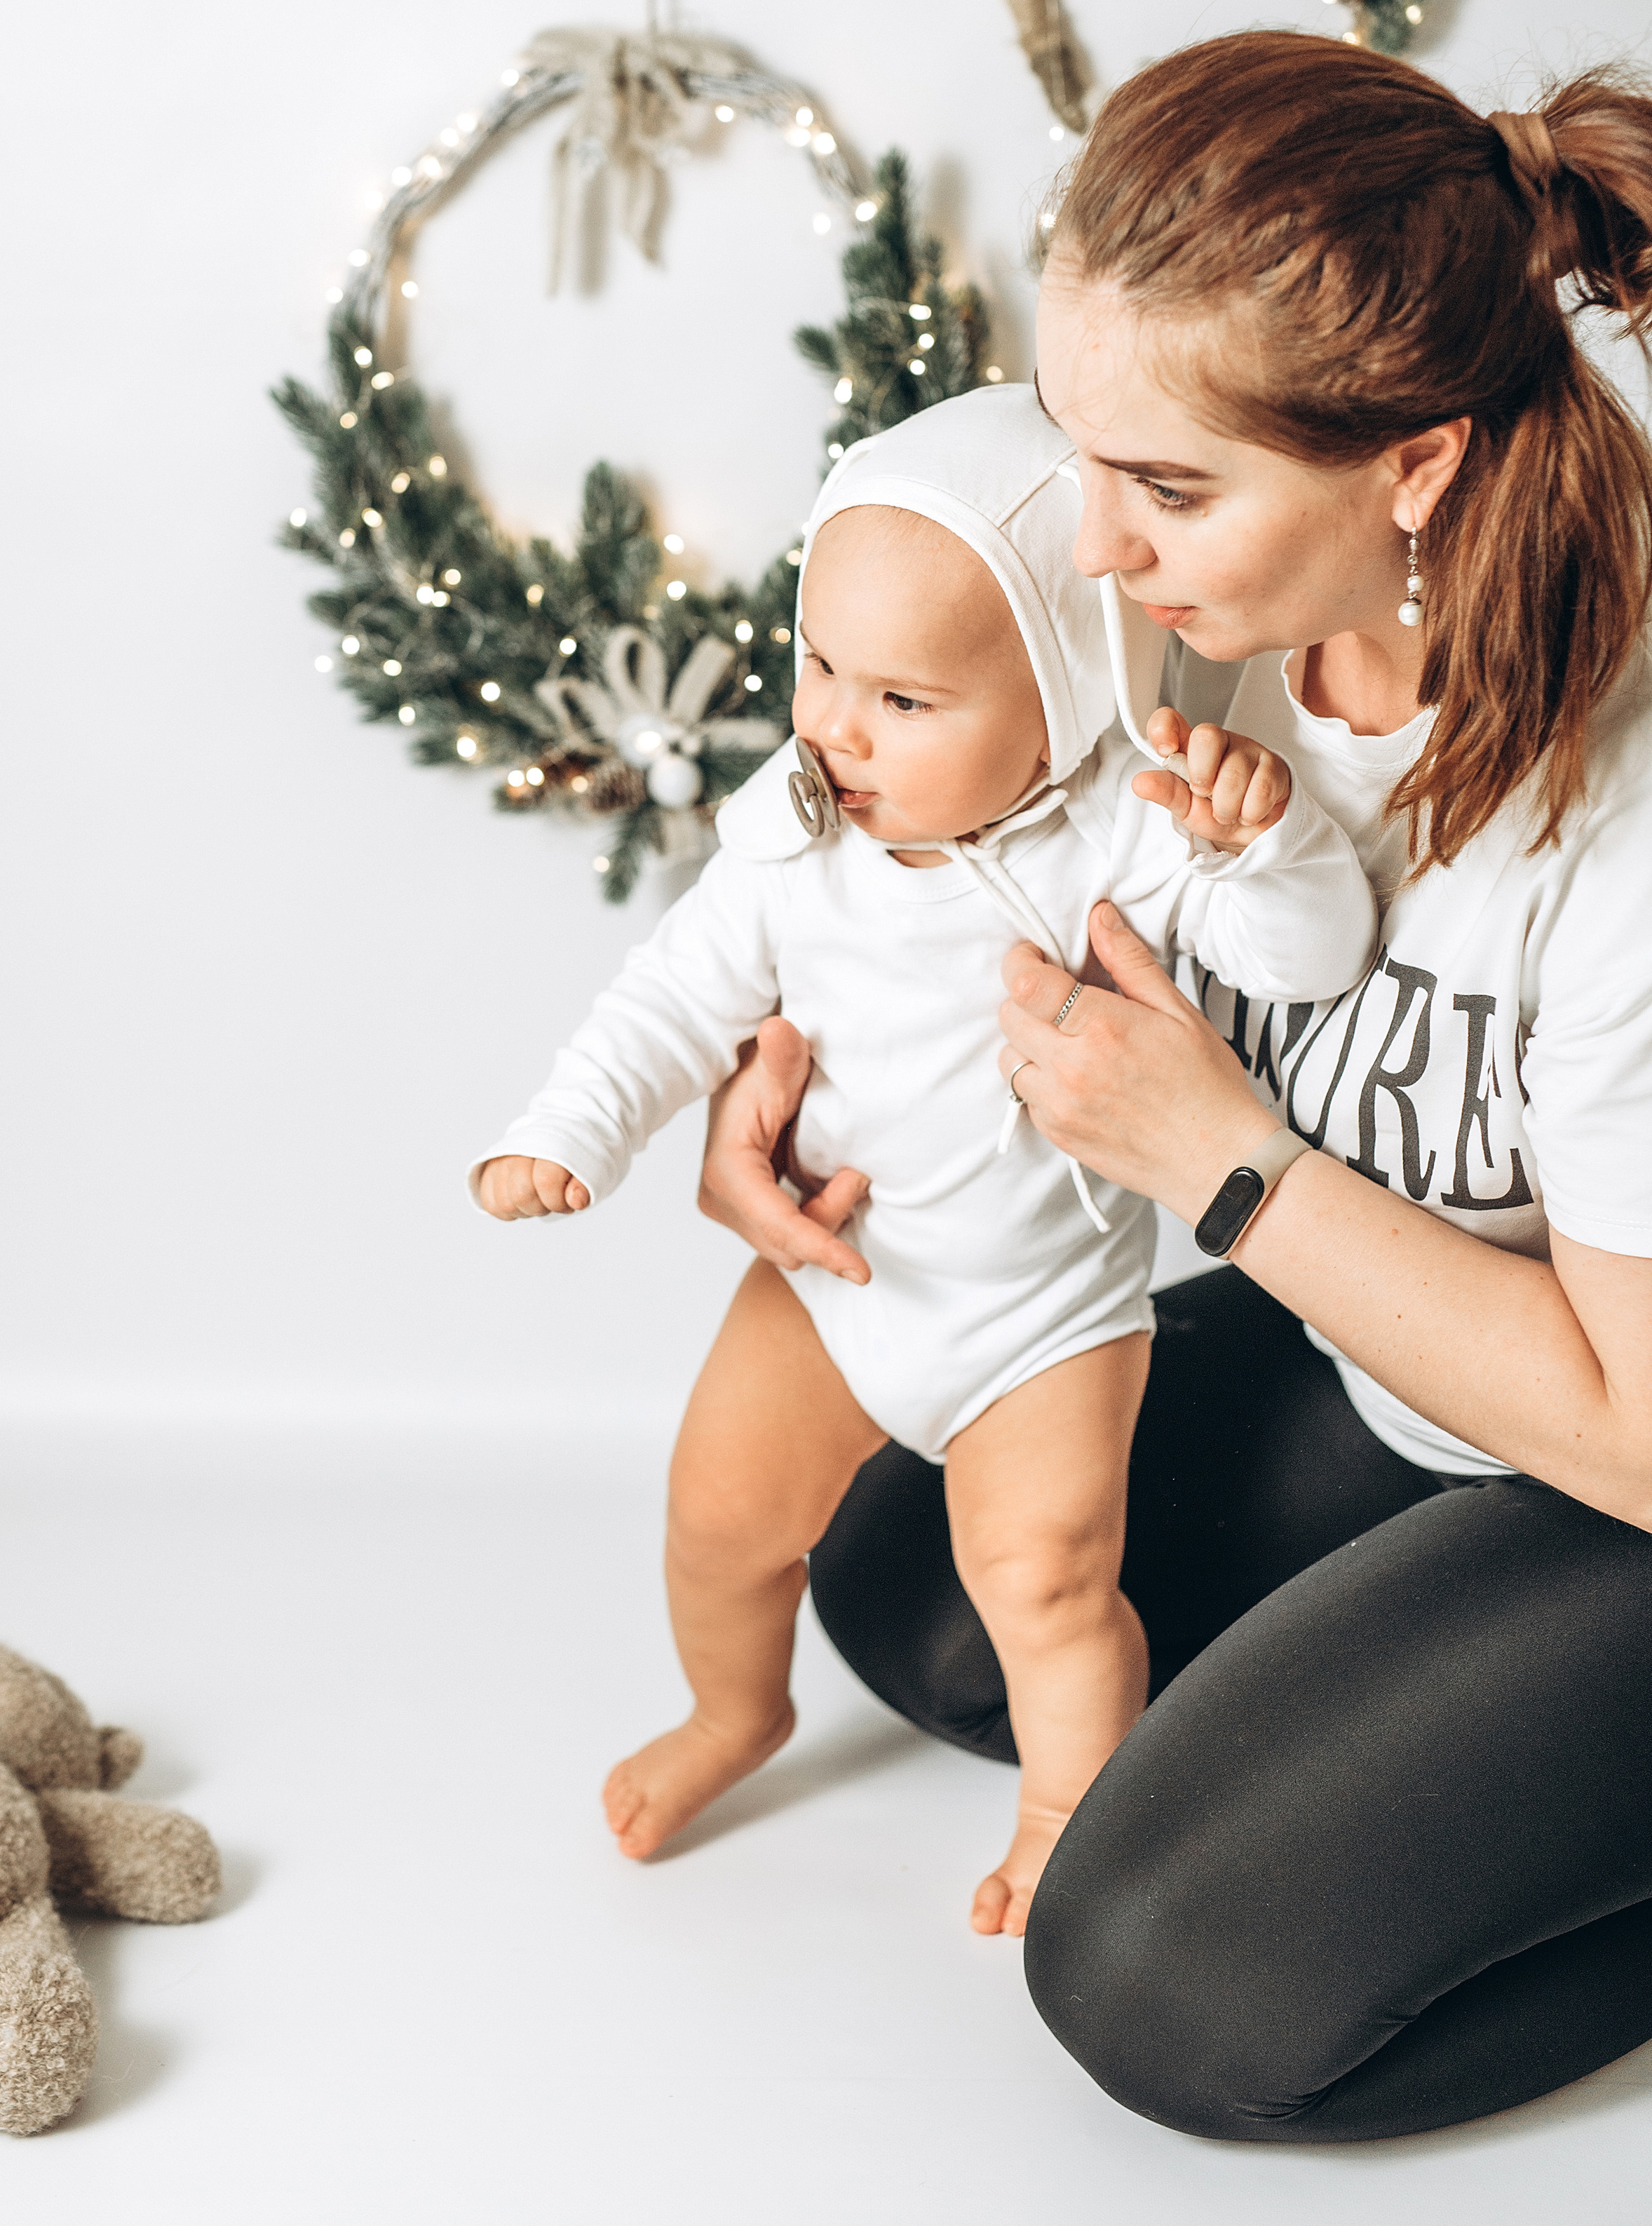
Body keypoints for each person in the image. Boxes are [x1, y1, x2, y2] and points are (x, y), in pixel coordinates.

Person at [696, 29, 1652, 2141]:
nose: (1096, 546)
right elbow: (930, 839)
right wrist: (785, 1076)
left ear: (1416, 462)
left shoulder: (1624, 821)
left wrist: (1224, 1170)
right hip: (1415, 1368)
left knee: (1157, 1983)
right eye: (1084, 446)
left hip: (1629, 1472)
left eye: (1169, 487)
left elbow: (1636, 1425)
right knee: (917, 1593)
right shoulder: (1196, 621)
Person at [473, 400, 1376, 1931]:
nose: (832, 724)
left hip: (1037, 1331)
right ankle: (730, 1713)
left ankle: (1065, 1814)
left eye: (901, 697)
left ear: (1057, 704)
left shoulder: (1123, 829)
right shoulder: (792, 834)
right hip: (834, 1278)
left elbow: (1306, 962)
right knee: (716, 1515)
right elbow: (673, 997)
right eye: (819, 665)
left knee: (1039, 1585)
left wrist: (1260, 846)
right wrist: (567, 1128)